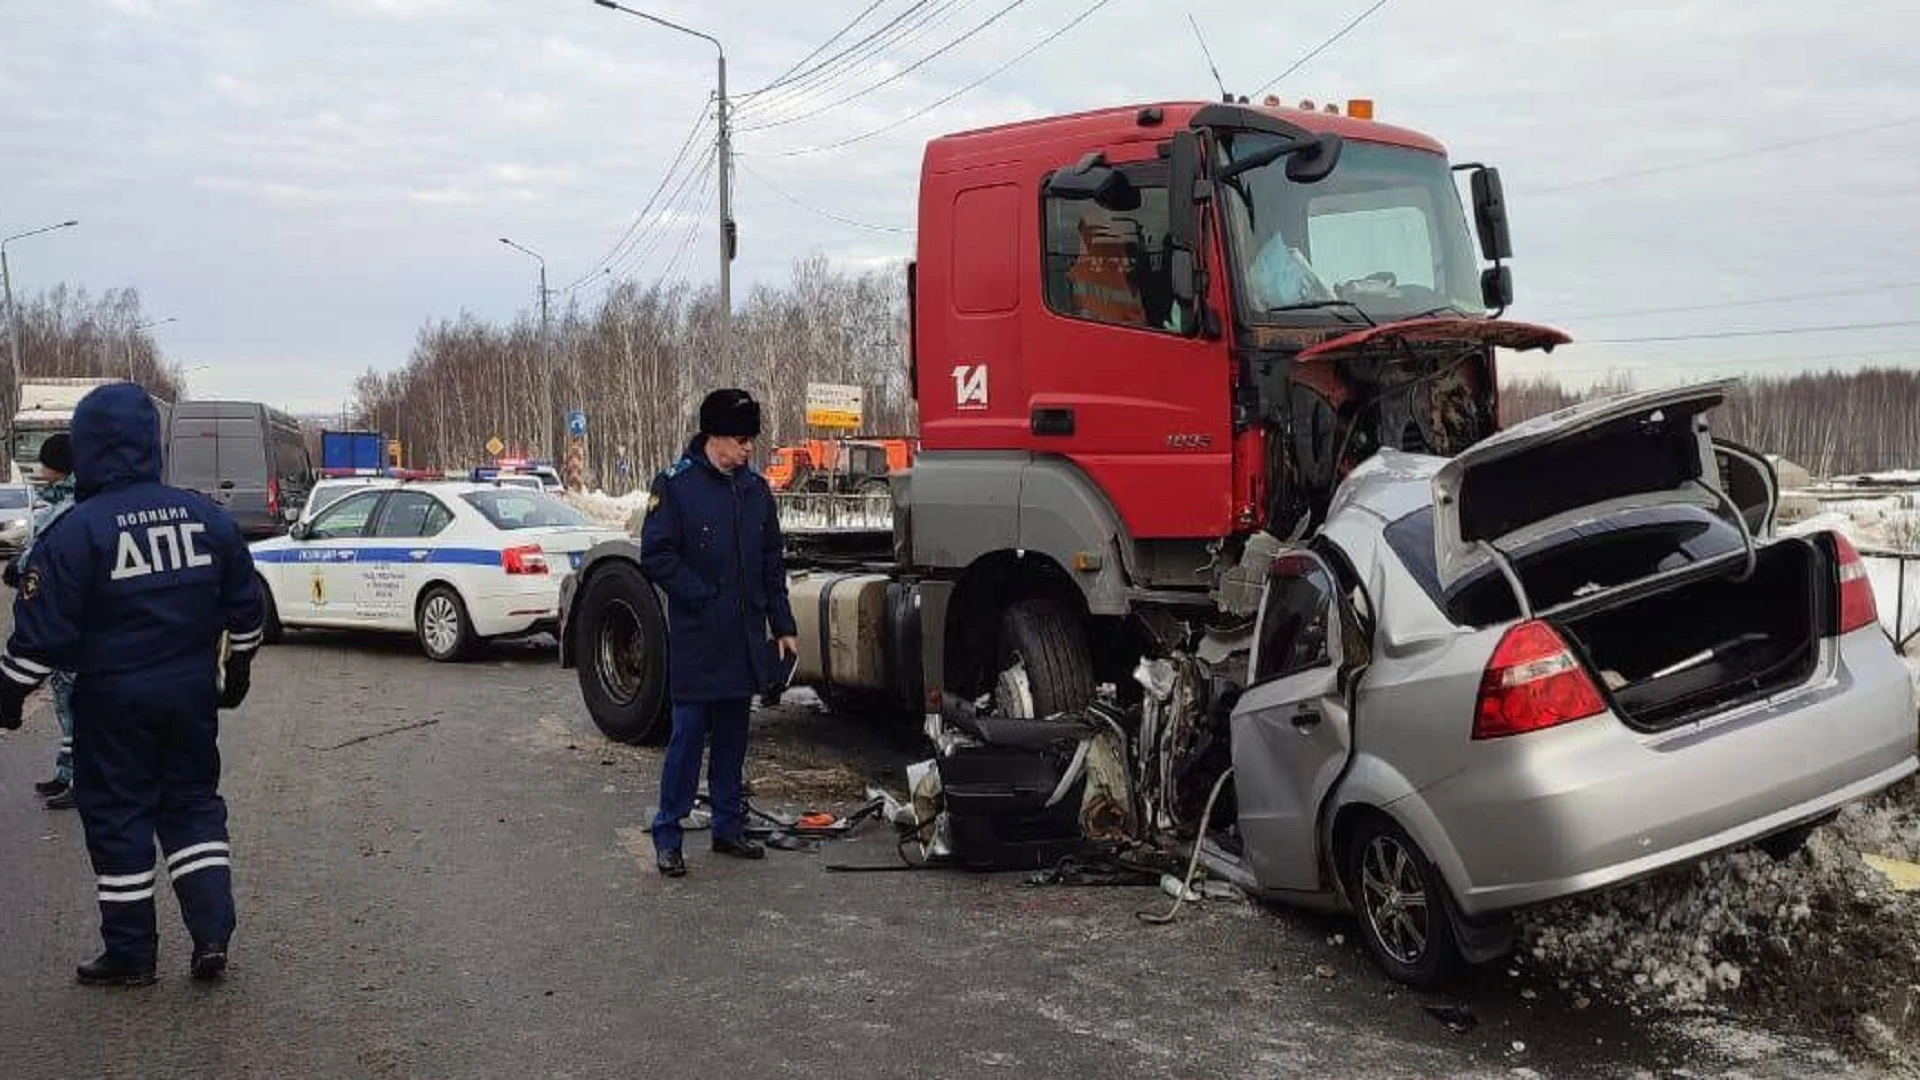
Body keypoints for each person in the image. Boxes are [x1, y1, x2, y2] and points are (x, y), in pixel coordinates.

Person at [0, 383, 264, 987]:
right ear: (152, 443)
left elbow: (41, 637)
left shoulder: (76, 531)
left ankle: (130, 954)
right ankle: (212, 934)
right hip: (190, 692)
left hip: (113, 700)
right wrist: (238, 667)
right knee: (193, 807)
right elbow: (244, 606)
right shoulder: (204, 517)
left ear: (90, 448)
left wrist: (10, 693)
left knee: (120, 817)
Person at [641, 388, 798, 877]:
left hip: (745, 639)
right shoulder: (676, 487)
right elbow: (657, 556)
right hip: (698, 639)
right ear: (713, 436)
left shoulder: (755, 492)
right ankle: (669, 834)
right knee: (688, 739)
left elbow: (772, 563)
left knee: (734, 737)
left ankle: (728, 826)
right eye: (739, 437)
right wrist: (704, 597)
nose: (748, 447)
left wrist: (783, 624)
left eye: (752, 437)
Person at [7, 433, 80, 809]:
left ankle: (79, 779)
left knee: (76, 705)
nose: (39, 470)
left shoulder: (70, 506)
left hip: (66, 625)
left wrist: (20, 568)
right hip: (61, 623)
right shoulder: (57, 502)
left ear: (61, 468)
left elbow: (48, 554)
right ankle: (66, 772)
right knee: (65, 703)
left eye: (45, 463)